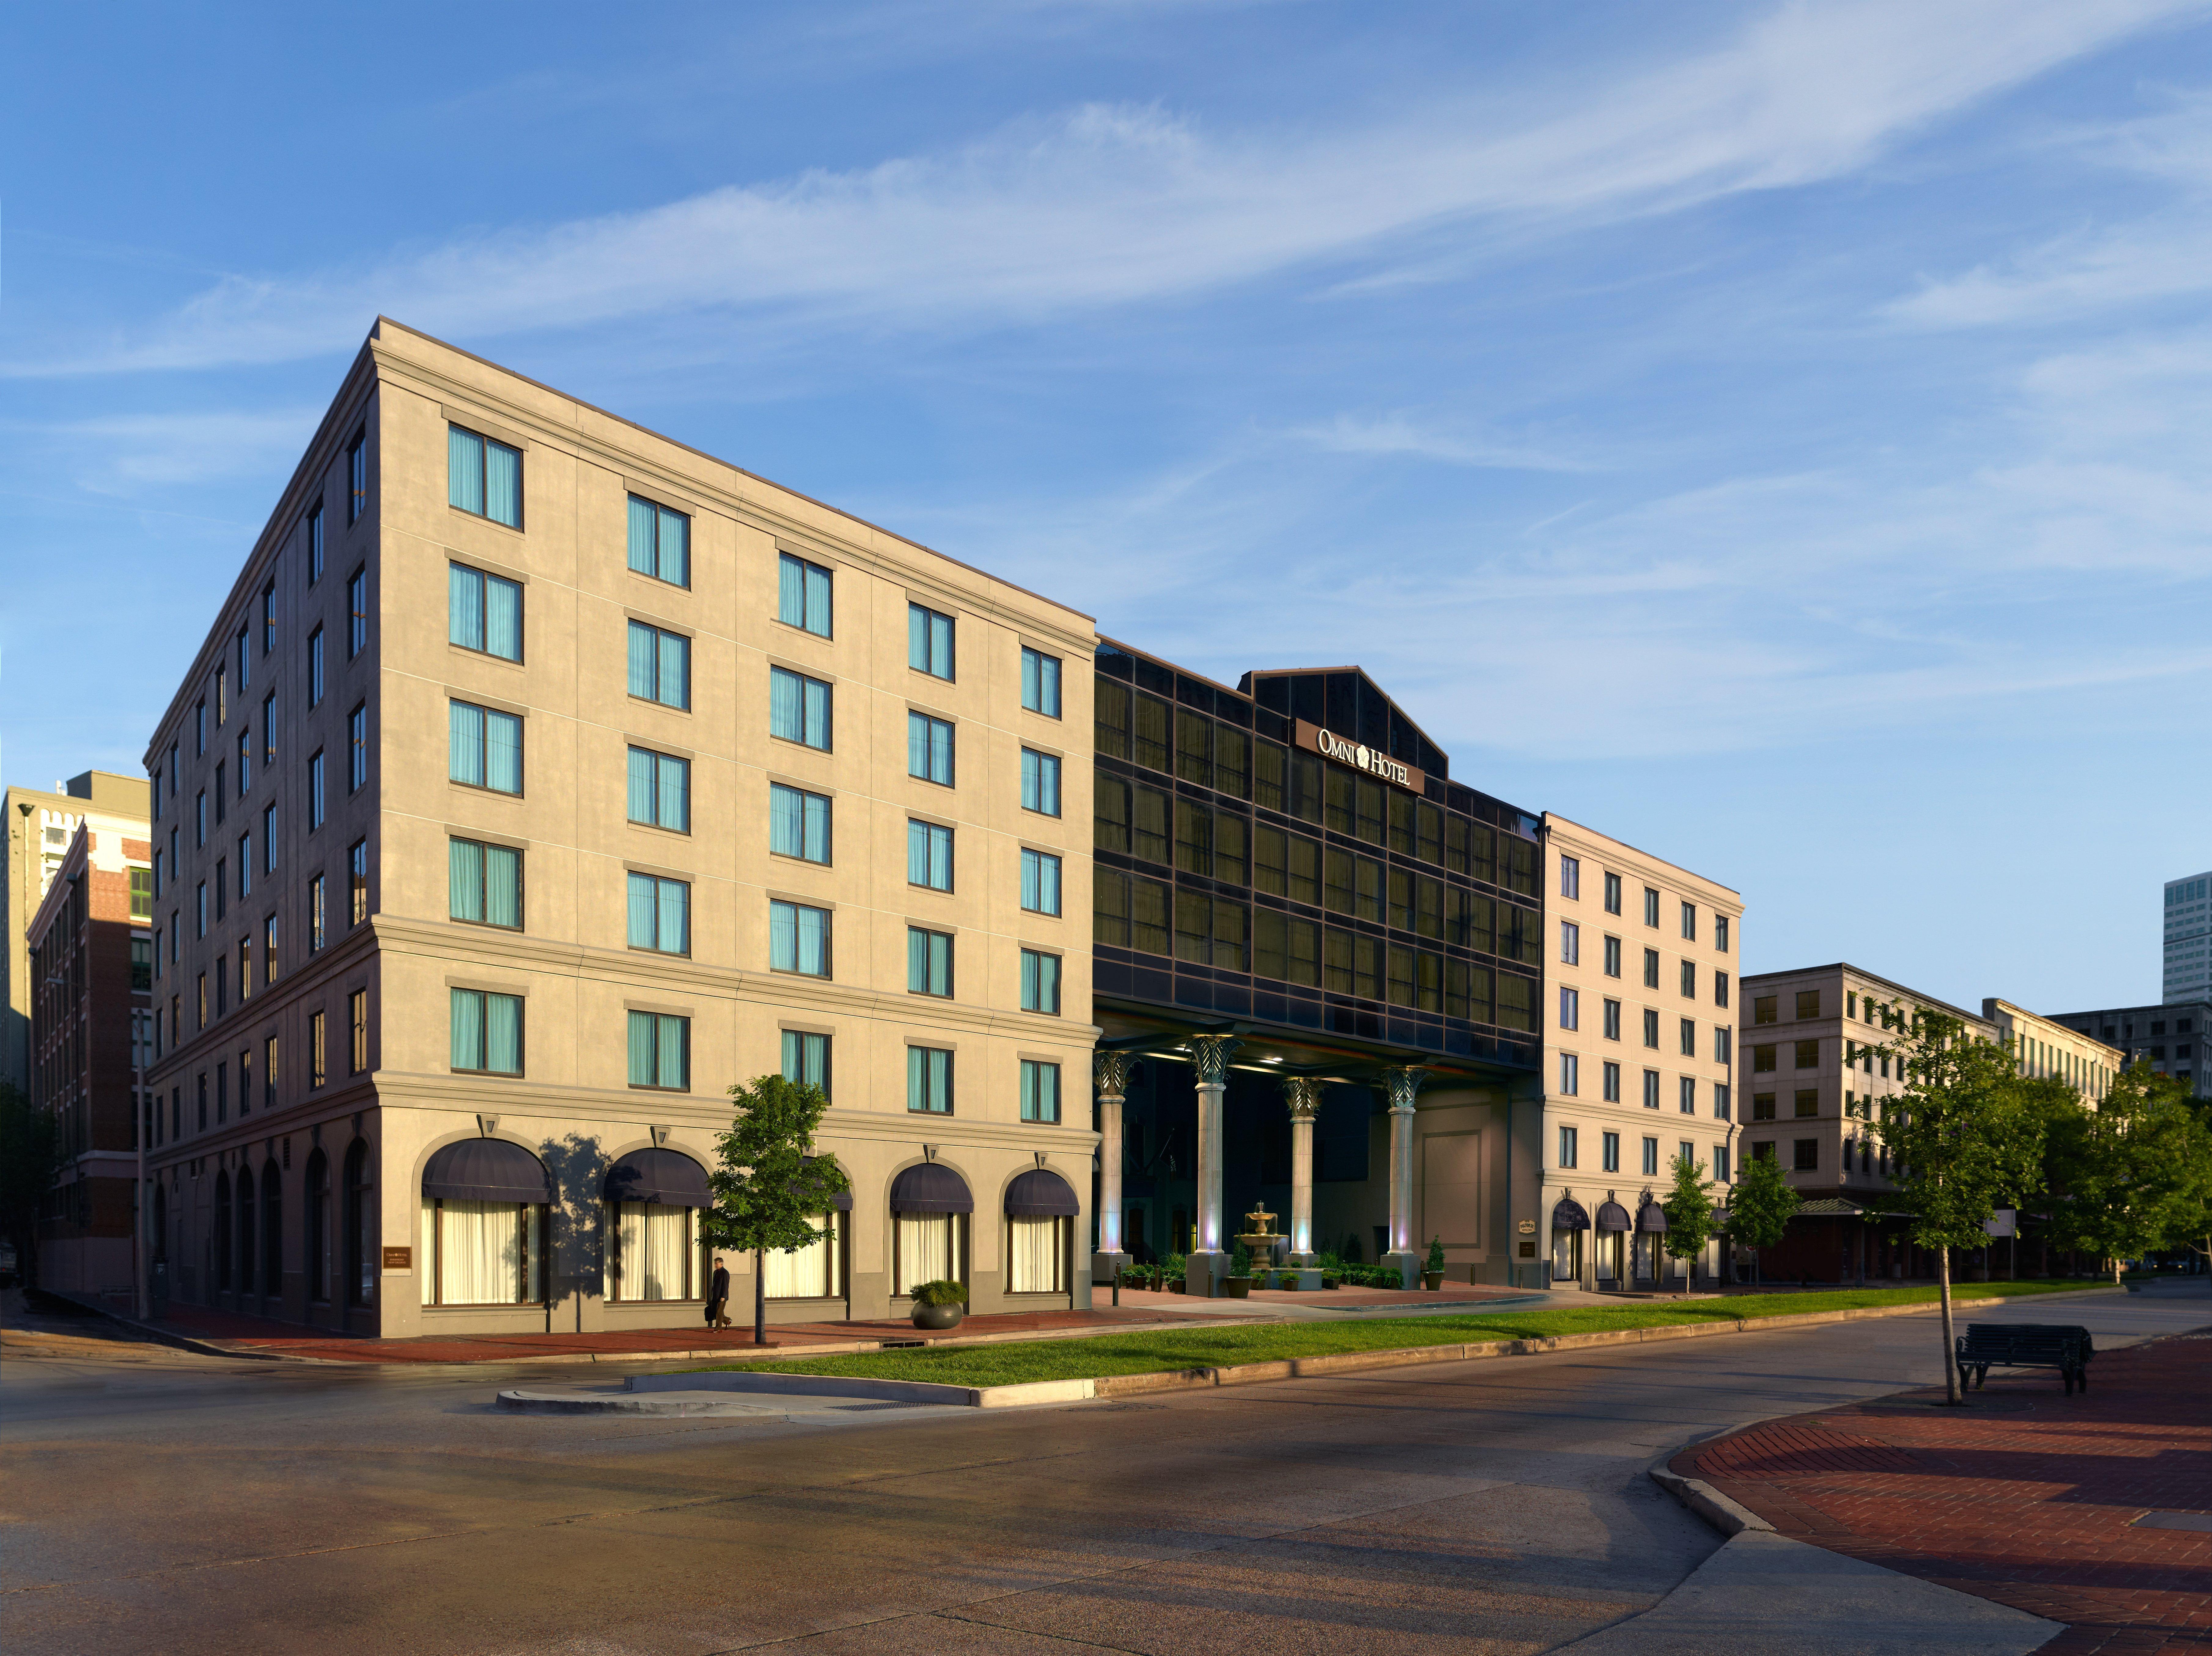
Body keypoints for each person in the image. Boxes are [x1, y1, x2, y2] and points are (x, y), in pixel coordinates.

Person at [705, 1256, 731, 1329]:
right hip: (715, 1297)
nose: (716, 1265)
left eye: (717, 1264)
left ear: (721, 1264)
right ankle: (727, 1321)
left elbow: (726, 1286)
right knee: (715, 1311)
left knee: (719, 1313)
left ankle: (718, 1329)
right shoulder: (716, 1272)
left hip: (722, 1297)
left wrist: (724, 1296)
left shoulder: (725, 1273)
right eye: (715, 1264)